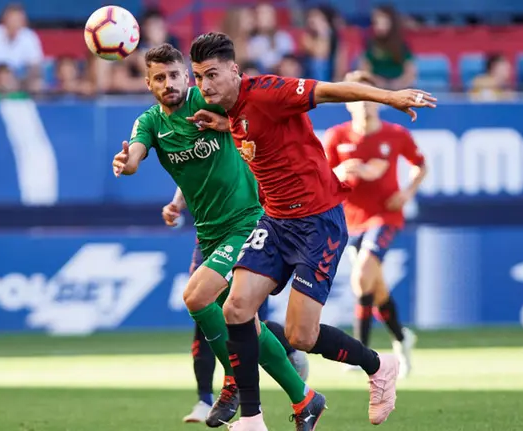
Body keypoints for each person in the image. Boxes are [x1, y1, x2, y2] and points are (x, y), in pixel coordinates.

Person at [188, 32, 435, 430]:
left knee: (301, 336)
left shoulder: (269, 91)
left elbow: (332, 91)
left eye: (213, 74)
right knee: (235, 309)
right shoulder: (228, 108)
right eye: (199, 76)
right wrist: (222, 124)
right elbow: (253, 131)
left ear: (234, 70)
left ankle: (379, 365)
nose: (205, 85)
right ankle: (251, 418)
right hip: (275, 221)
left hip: (318, 222)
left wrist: (390, 96)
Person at [110, 43, 315, 428]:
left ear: (187, 76)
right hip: (209, 233)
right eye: (159, 78)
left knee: (197, 297)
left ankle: (234, 380)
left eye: (174, 75)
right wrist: (129, 162)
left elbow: (254, 111)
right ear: (149, 83)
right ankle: (304, 398)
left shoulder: (212, 102)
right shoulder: (150, 123)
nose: (168, 83)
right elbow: (136, 154)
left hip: (248, 221)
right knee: (242, 322)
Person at [323, 71, 427, 379]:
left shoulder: (395, 135)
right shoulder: (337, 137)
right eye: (358, 98)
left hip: (384, 216)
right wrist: (343, 170)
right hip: (349, 220)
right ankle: (401, 337)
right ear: (348, 103)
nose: (365, 105)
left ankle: (359, 353)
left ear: (379, 102)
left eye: (370, 98)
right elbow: (324, 178)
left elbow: (420, 165)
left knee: (361, 276)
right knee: (374, 285)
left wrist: (407, 192)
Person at [182, 237, 309, 423]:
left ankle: (294, 382)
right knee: (203, 308)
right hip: (208, 235)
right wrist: (178, 205)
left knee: (248, 322)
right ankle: (206, 399)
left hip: (244, 231)